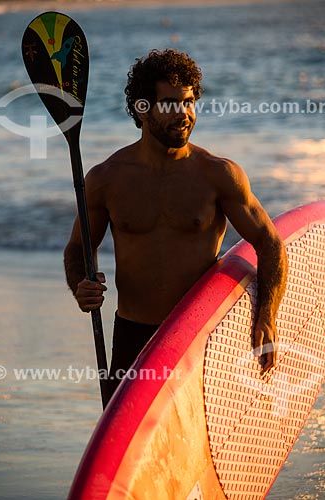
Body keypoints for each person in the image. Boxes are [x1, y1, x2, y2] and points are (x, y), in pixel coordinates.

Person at [64, 49, 287, 400]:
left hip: (197, 336)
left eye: (189, 102)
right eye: (170, 104)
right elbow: (79, 248)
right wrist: (82, 285)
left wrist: (267, 316)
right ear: (142, 109)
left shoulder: (219, 175)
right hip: (131, 337)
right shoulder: (106, 179)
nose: (183, 114)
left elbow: (269, 242)